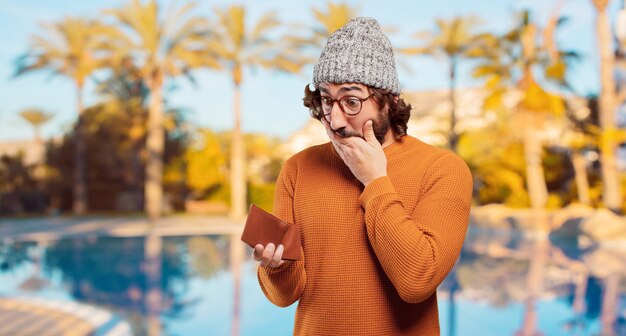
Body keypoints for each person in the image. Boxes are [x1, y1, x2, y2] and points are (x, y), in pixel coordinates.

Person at [252, 17, 473, 335]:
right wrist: (277, 268)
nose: (336, 120)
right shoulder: (298, 169)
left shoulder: (443, 169)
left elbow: (417, 281)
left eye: (352, 101)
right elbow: (284, 296)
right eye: (327, 100)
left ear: (390, 101)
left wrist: (374, 179)